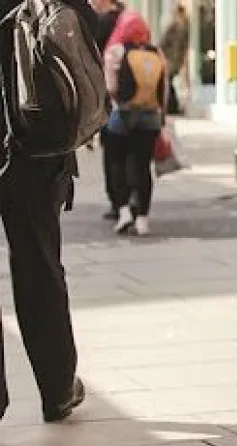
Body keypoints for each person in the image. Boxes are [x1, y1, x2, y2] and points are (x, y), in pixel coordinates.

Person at [0, 0, 90, 423]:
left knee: (38, 261)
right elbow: (80, 36)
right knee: (38, 262)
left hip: (28, 143)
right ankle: (56, 388)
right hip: (33, 142)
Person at [104, 12, 169, 236]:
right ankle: (142, 218)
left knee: (117, 162)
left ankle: (123, 212)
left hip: (122, 114)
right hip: (150, 115)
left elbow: (110, 88)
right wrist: (163, 117)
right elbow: (164, 91)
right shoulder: (156, 53)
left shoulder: (116, 51)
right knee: (142, 166)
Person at [91, 0, 126, 222]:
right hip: (137, 101)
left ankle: (117, 202)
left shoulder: (101, 23)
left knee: (113, 155)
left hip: (111, 100)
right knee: (135, 156)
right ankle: (136, 203)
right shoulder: (129, 20)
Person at [159, 3, 190, 115]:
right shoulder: (184, 27)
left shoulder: (176, 26)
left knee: (168, 81)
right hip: (175, 60)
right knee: (169, 81)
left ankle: (172, 106)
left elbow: (162, 43)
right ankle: (172, 106)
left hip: (171, 60)